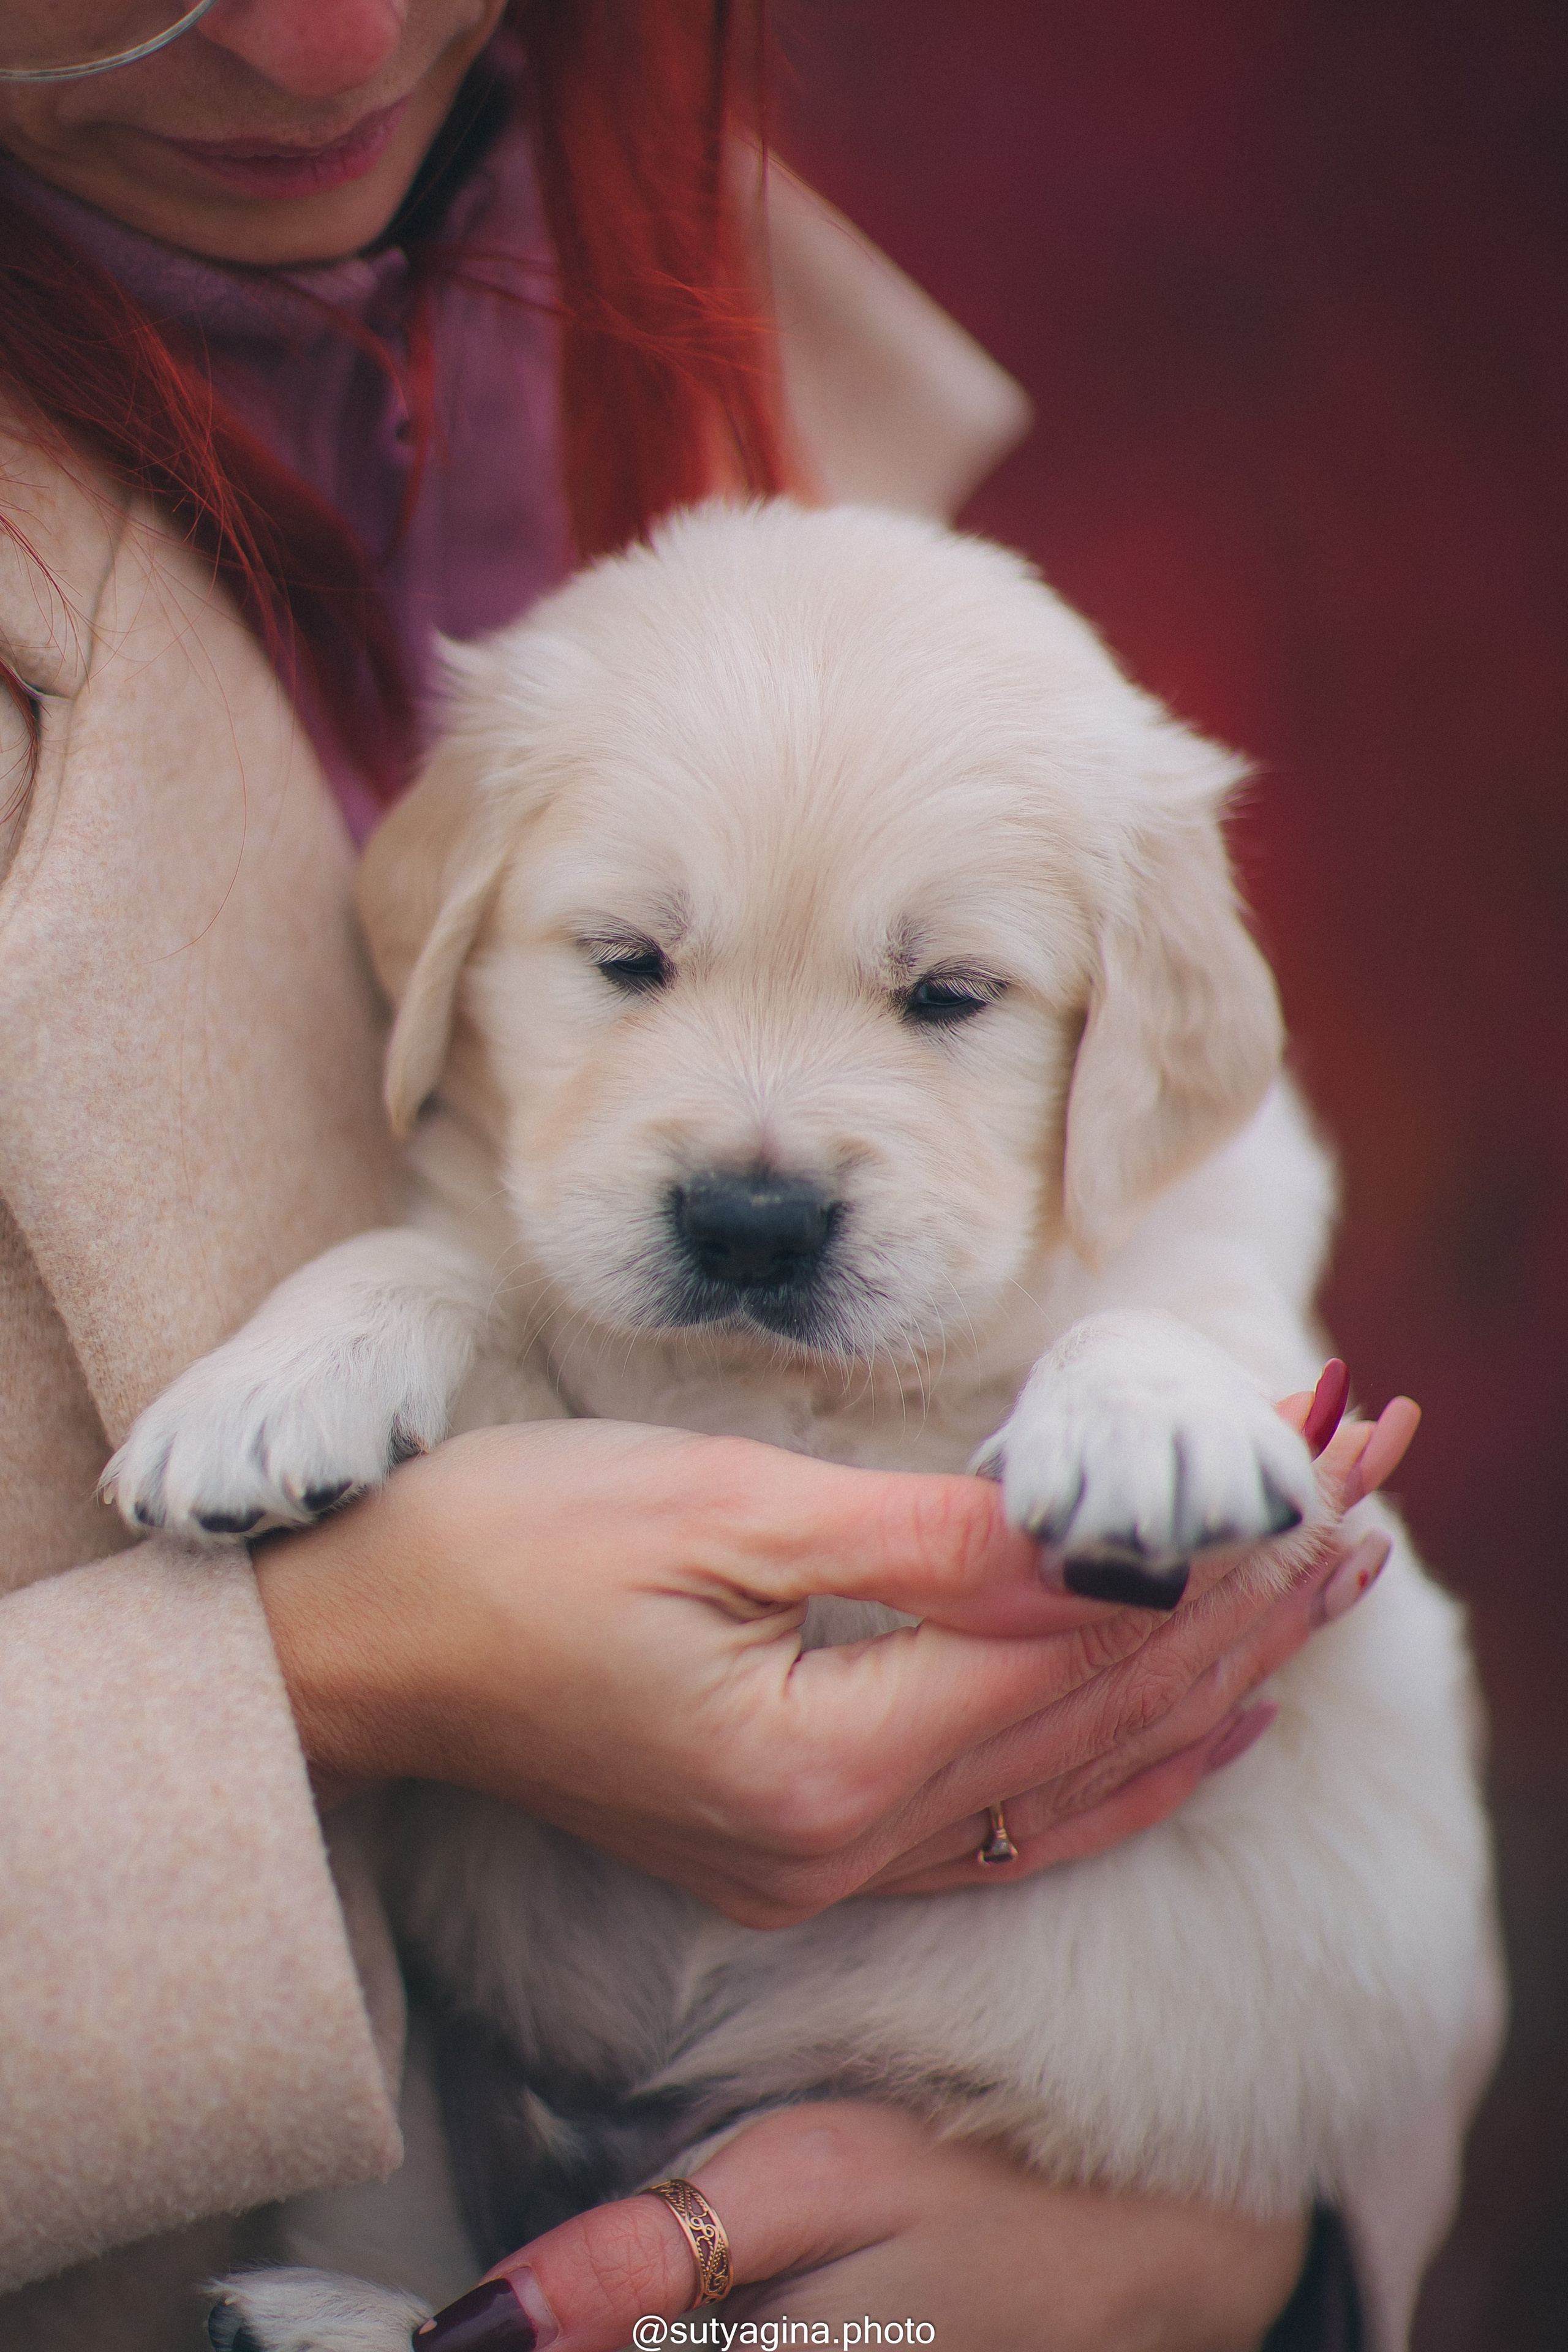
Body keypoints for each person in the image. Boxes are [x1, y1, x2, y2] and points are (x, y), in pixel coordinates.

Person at [0, 6, 1501, 2350]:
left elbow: (1366, 1837)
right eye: (633, 962)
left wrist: (1246, 2270)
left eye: (940, 1002)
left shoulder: (743, 342)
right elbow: (450, 1269)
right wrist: (320, 1671)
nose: (321, 39)